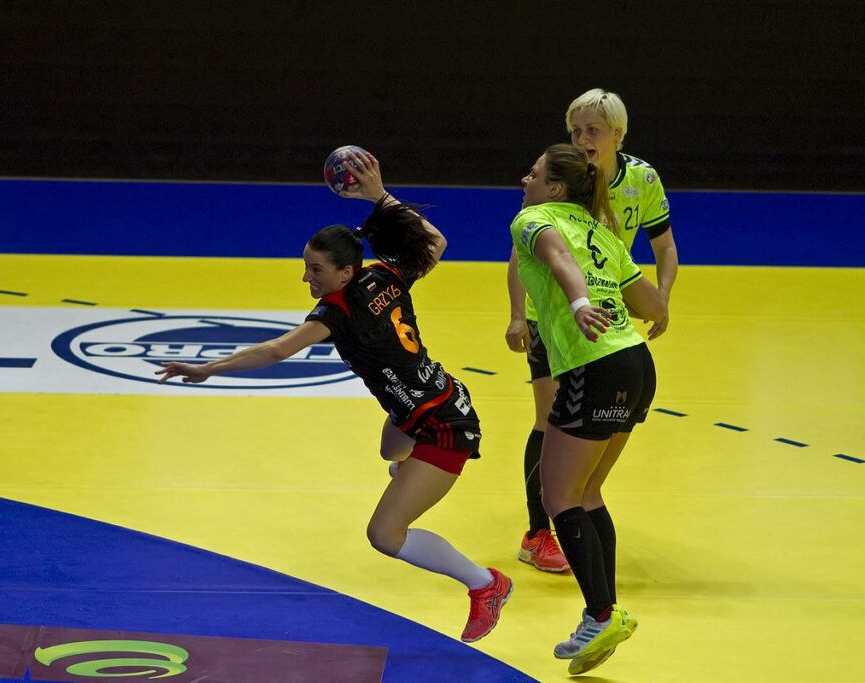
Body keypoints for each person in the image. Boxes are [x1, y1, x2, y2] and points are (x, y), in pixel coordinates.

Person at [156, 150, 512, 643]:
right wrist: (379, 196)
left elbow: (277, 349)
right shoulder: (386, 274)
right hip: (426, 400)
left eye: (315, 270)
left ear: (345, 273)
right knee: (390, 449)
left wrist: (207, 369)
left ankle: (485, 584)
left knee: (384, 535)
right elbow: (436, 241)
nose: (307, 278)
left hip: (444, 426)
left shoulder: (336, 310)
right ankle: (408, 471)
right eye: (306, 267)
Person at [505, 88, 679, 574]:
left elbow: (664, 246)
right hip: (553, 316)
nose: (582, 139)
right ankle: (538, 533)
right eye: (576, 130)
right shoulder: (556, 176)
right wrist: (518, 314)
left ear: (617, 134)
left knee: (588, 435)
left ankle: (579, 511)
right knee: (548, 419)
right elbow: (528, 251)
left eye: (593, 131)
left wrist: (661, 299)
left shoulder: (640, 179)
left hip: (606, 315)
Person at [509, 143, 666, 674]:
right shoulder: (603, 232)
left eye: (533, 174)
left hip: (592, 365)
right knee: (588, 492)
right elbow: (651, 305)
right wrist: (659, 306)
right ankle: (606, 613)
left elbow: (556, 256)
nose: (525, 180)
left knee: (558, 497)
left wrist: (577, 303)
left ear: (554, 188)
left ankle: (600, 614)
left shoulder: (533, 220)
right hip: (636, 364)